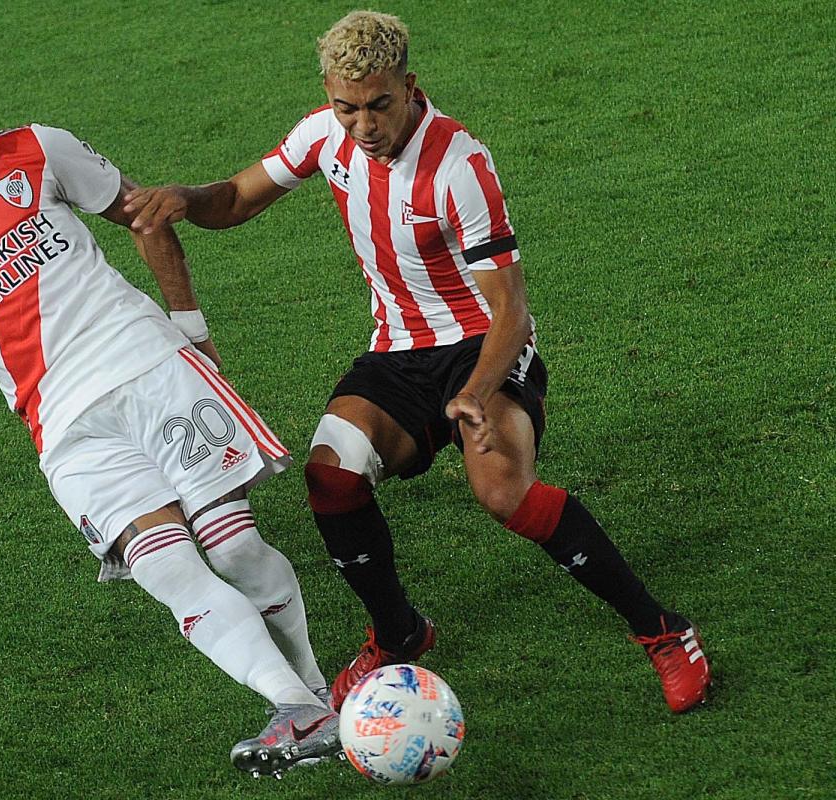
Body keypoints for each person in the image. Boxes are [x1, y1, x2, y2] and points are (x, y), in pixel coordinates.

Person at [123, 10, 712, 714]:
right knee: (330, 475)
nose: (363, 125)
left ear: (410, 86)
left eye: (379, 105)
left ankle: (663, 630)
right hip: (398, 351)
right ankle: (398, 632)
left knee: (504, 492)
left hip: (482, 347)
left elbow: (511, 312)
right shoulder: (324, 136)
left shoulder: (460, 165)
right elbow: (235, 199)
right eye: (347, 108)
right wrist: (183, 201)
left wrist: (475, 393)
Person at [0, 31, 341, 776]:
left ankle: (313, 691)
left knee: (235, 546)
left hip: (151, 366)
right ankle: (299, 707)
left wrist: (192, 332)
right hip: (66, 432)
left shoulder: (38, 149)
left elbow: (147, 216)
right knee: (168, 572)